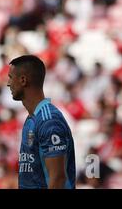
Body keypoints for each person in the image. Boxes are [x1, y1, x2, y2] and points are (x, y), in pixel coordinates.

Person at [7, 55, 76, 189]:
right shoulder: (31, 119)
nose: (8, 84)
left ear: (23, 80)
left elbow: (58, 179)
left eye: (10, 77)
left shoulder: (49, 120)